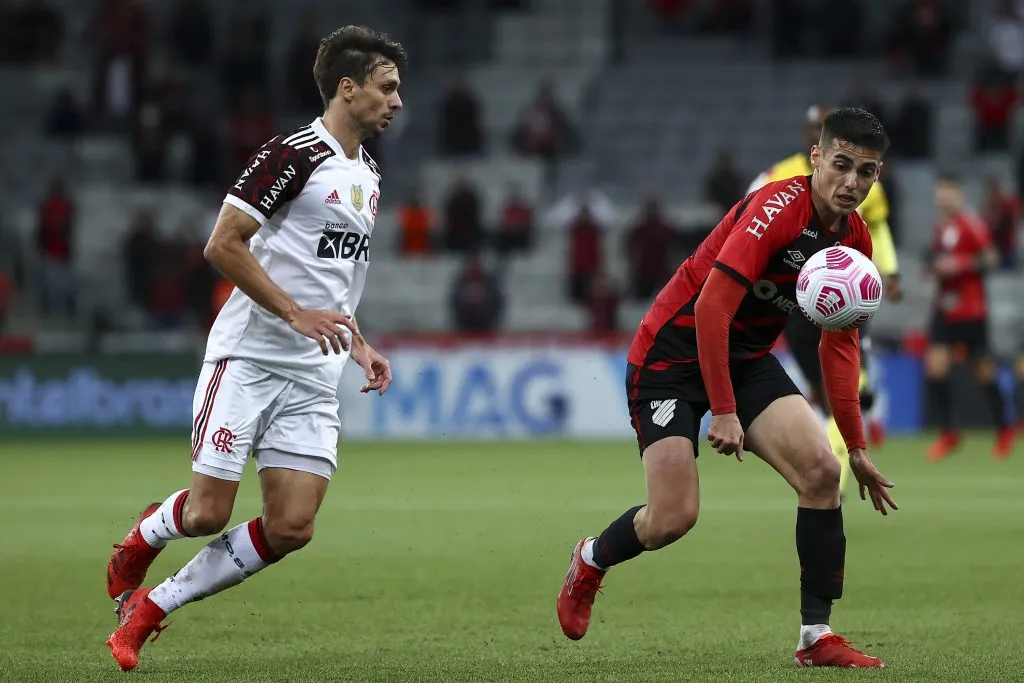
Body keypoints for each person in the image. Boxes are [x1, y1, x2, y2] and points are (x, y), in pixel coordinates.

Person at [104, 25, 406, 672]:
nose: (397, 101)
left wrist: (359, 342)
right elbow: (222, 243)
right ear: (347, 90)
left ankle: (150, 607)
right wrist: (293, 312)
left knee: (293, 526)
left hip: (314, 374)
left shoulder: (369, 174)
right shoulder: (292, 153)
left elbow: (337, 278)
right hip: (250, 357)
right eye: (387, 88)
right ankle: (143, 535)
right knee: (208, 511)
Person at [556, 108, 897, 668]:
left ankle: (816, 637)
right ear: (817, 156)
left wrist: (855, 445)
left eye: (866, 172)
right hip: (670, 354)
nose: (852, 183)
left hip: (744, 358)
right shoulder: (776, 209)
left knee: (822, 473)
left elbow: (839, 347)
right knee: (673, 518)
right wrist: (724, 410)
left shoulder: (853, 241)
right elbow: (713, 304)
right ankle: (591, 558)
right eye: (841, 165)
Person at [747, 104, 900, 497]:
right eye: (812, 127)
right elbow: (748, 218)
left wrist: (890, 270)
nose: (854, 179)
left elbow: (877, 228)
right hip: (795, 307)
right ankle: (829, 459)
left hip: (847, 298)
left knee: (855, 389)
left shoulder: (868, 183)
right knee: (825, 394)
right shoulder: (779, 176)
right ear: (813, 143)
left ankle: (838, 474)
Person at [924, 174, 1015, 461]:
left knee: (983, 372)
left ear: (959, 196)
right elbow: (939, 262)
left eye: (949, 192)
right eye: (941, 193)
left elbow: (992, 258)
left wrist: (961, 264)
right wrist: (934, 269)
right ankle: (949, 432)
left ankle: (1004, 429)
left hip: (971, 310)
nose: (944, 198)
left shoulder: (972, 225)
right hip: (945, 309)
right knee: (934, 368)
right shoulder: (941, 229)